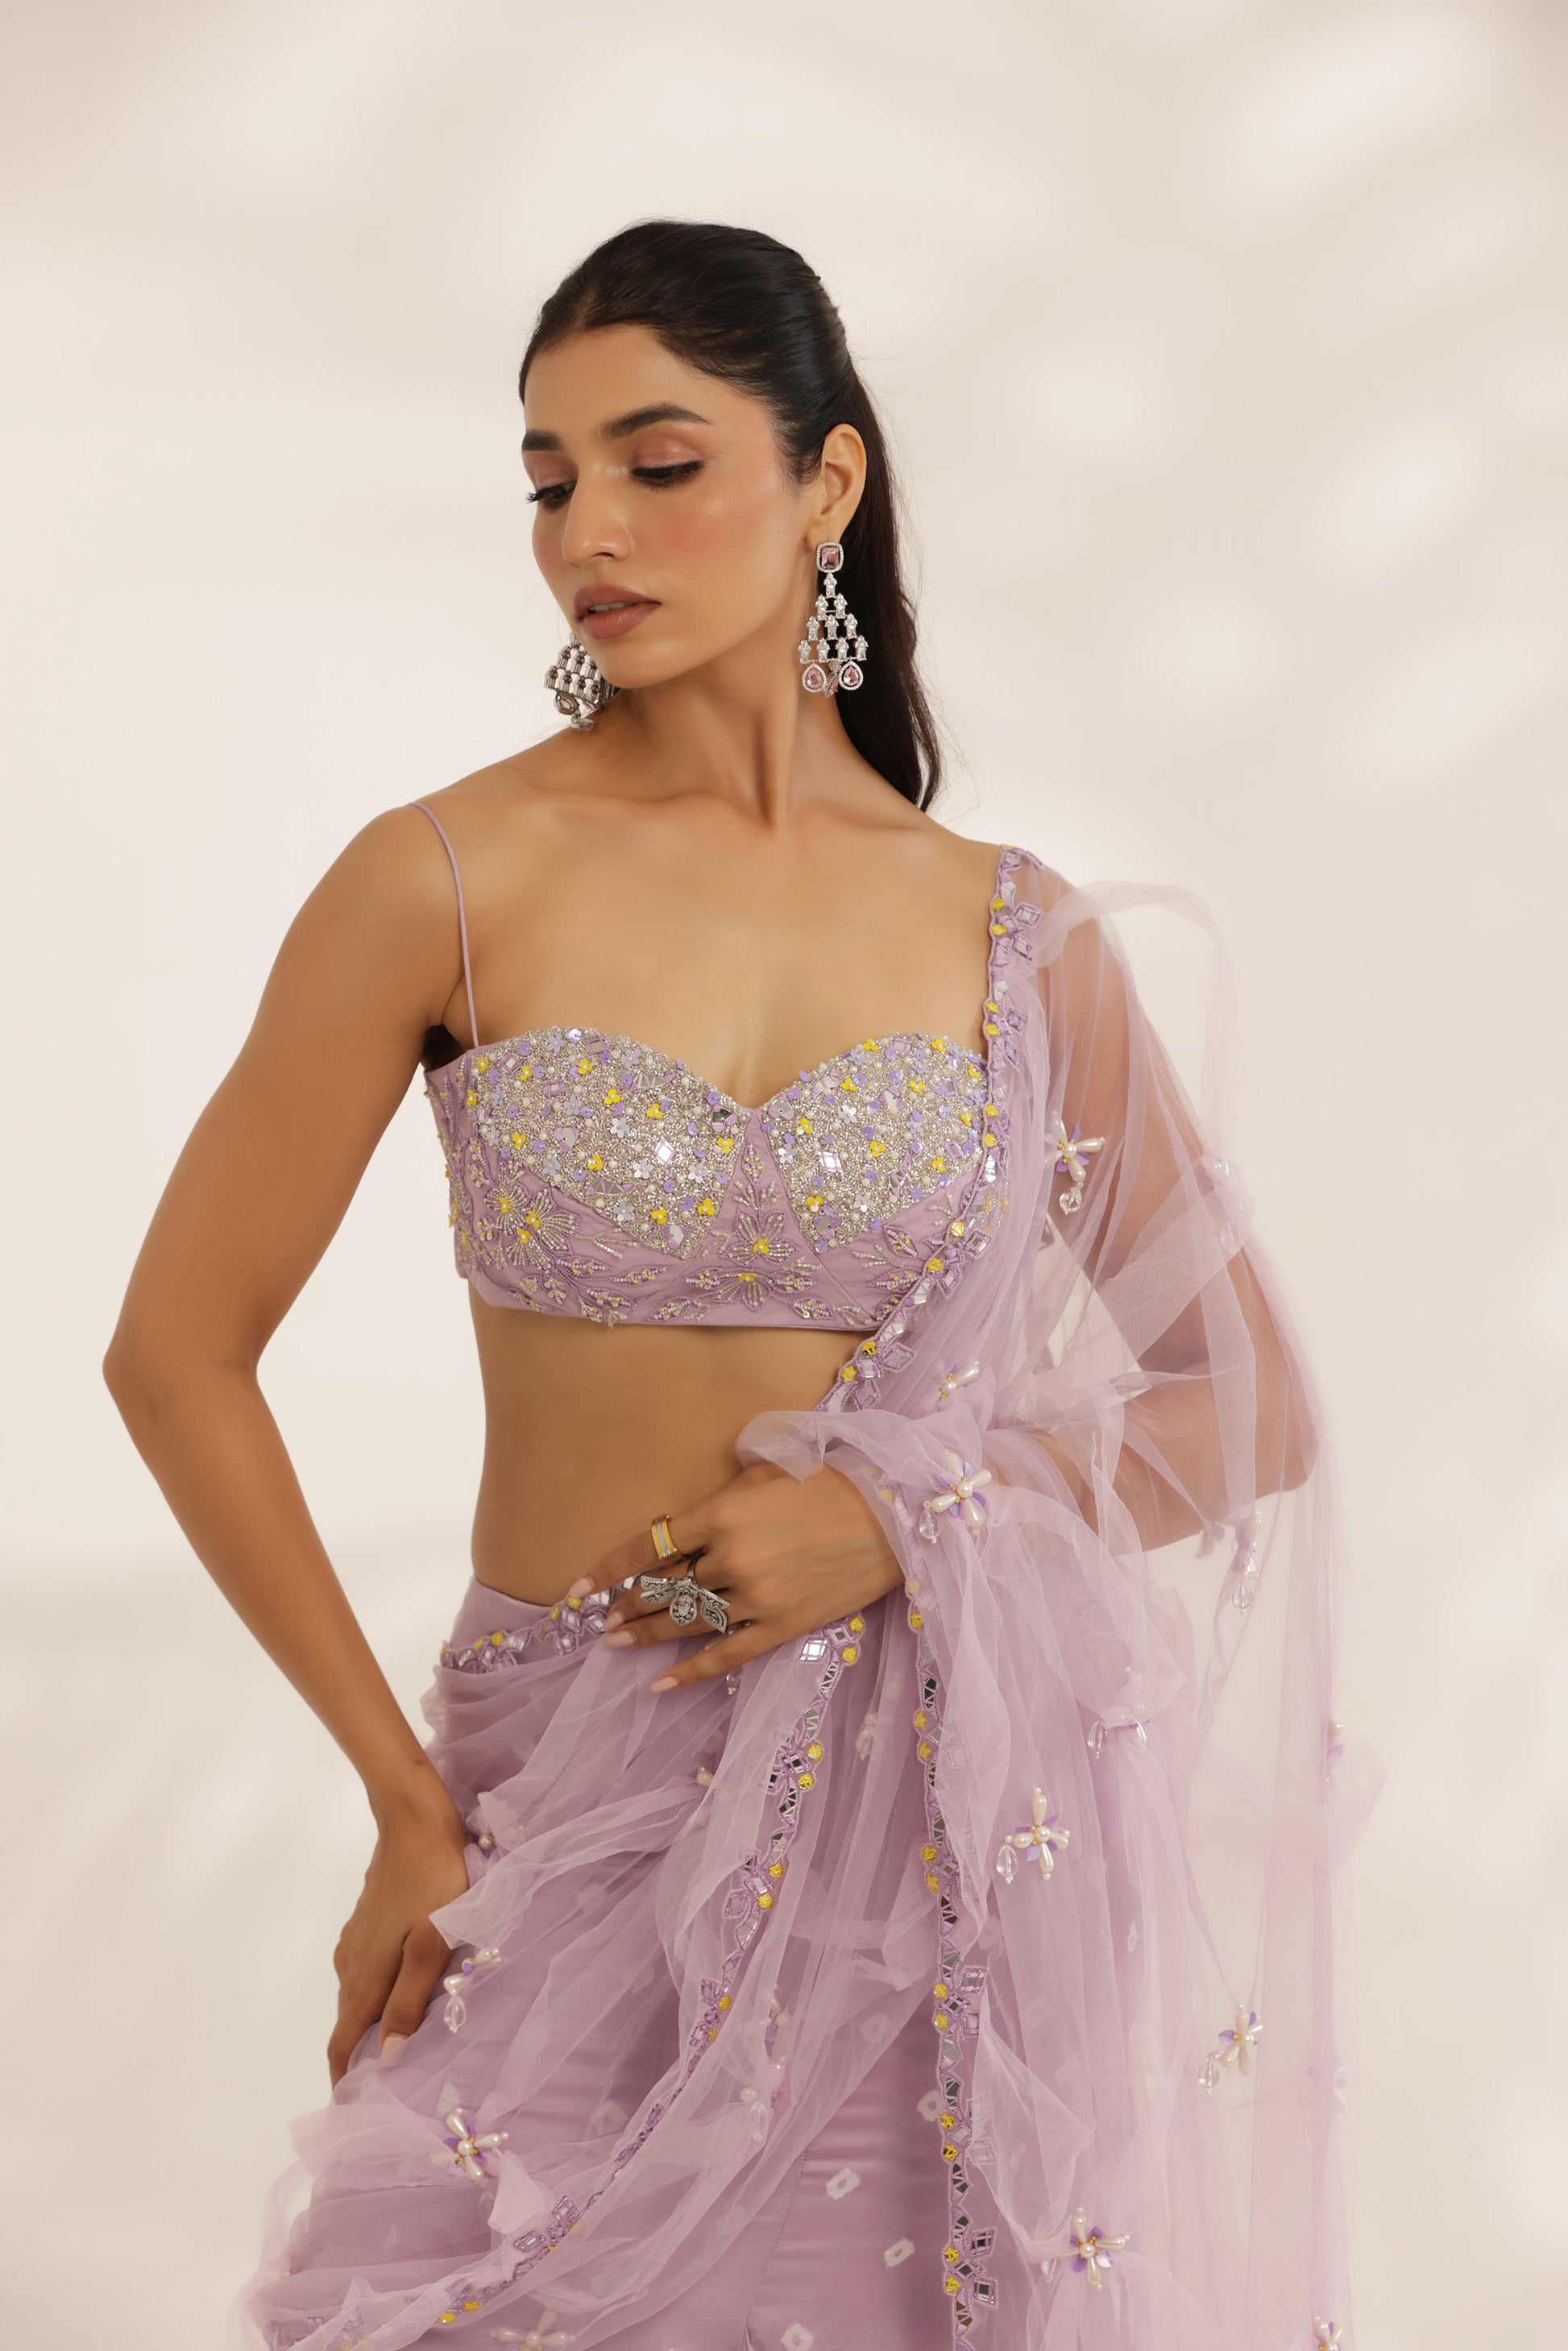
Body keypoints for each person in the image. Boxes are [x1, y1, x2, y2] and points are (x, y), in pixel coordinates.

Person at [106, 222, 1369, 2351]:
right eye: (547, 481)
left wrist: (900, 1516)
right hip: (552, 1795)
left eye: (658, 463)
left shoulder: (1012, 935)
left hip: (917, 1854)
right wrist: (403, 1803)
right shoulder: (446, 877)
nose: (585, 532)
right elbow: (175, 1354)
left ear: (827, 481)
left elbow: (1242, 1400)